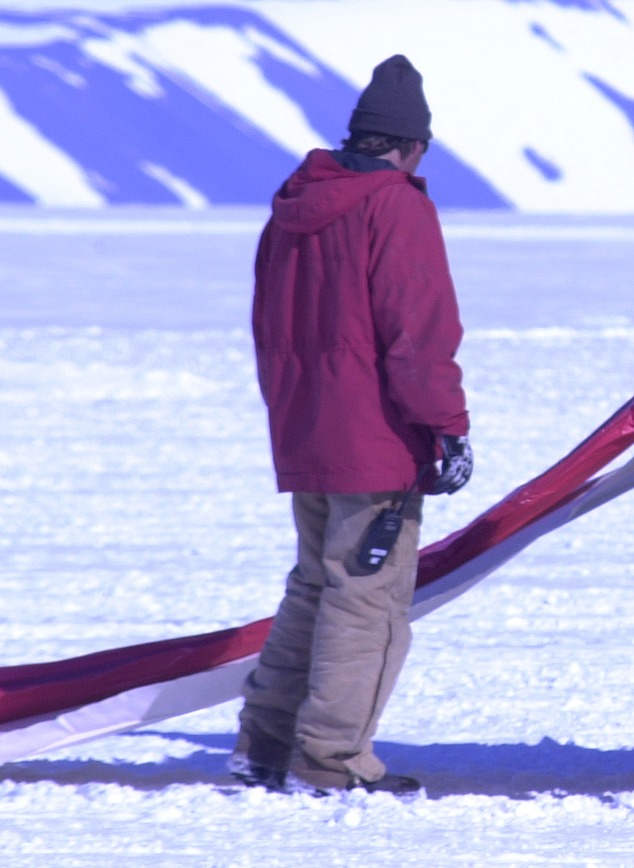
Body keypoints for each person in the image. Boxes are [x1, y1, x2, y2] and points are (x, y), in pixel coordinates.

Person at [231, 55, 473, 795]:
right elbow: (418, 330)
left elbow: (269, 321)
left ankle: (265, 745)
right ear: (411, 146)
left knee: (316, 585)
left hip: (307, 429)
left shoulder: (296, 204)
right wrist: (445, 427)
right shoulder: (394, 205)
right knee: (365, 597)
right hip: (375, 441)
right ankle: (331, 760)